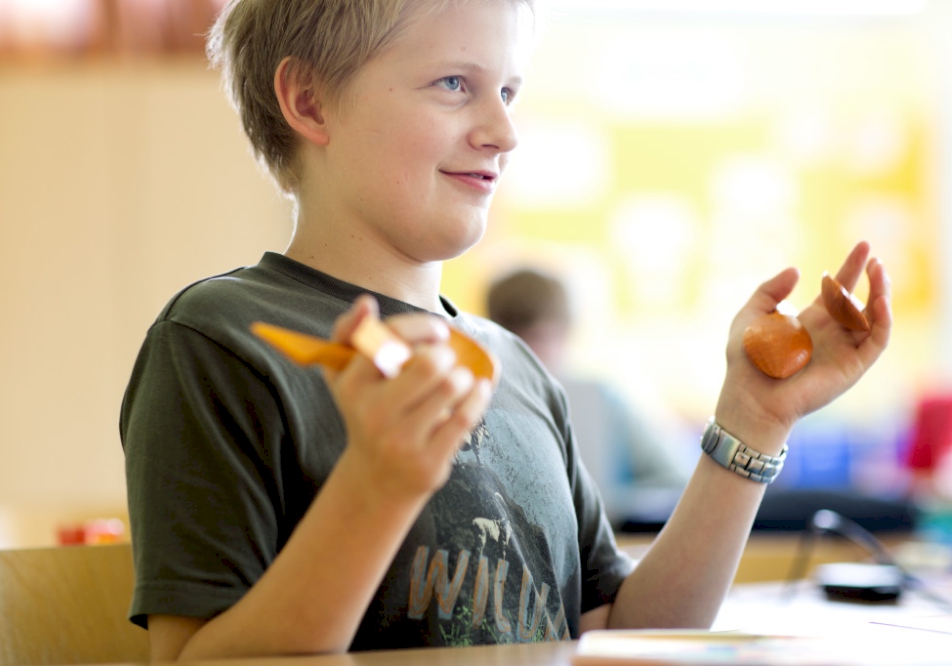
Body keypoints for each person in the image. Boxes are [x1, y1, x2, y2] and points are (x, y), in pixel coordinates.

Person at [119, 0, 892, 661]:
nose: (504, 131)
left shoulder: (514, 367)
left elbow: (623, 633)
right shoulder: (224, 341)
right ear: (311, 104)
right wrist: (374, 490)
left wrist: (749, 422)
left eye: (510, 91)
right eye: (454, 85)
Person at [485, 267, 693, 529]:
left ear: (565, 333)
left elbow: (675, 483)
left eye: (541, 339)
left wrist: (600, 504)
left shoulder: (604, 402)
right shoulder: (477, 403)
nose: (530, 357)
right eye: (516, 342)